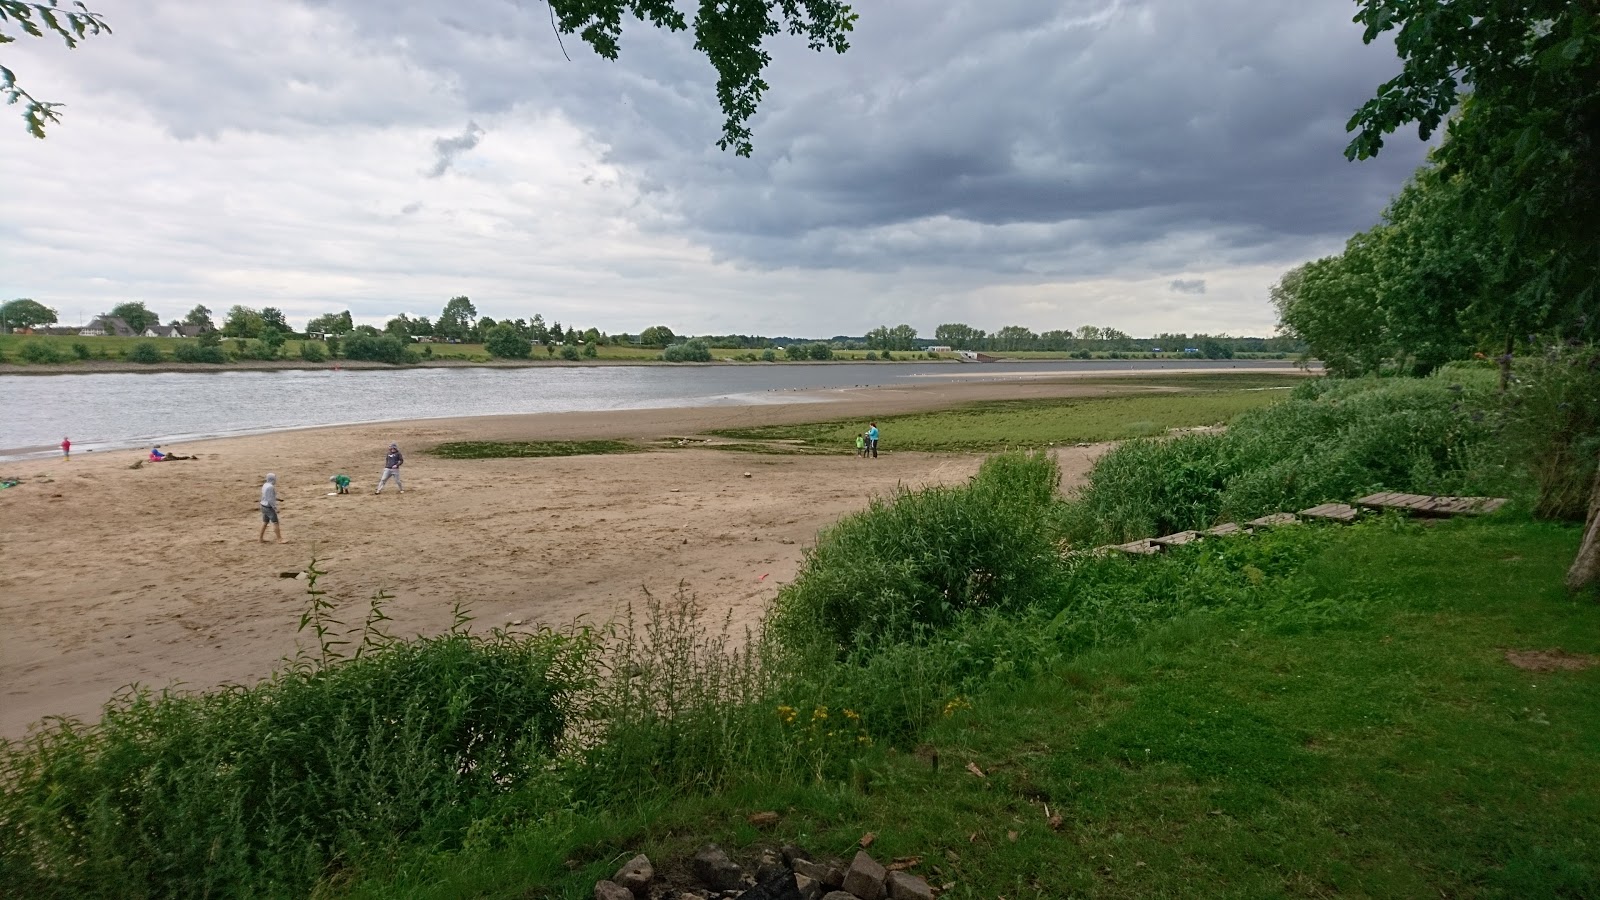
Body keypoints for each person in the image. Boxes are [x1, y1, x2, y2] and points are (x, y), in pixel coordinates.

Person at [259, 473, 285, 543]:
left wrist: (278, 499)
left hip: (263, 505)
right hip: (269, 507)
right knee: (275, 522)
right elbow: (270, 499)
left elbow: (266, 496)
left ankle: (260, 538)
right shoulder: (271, 487)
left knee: (265, 522)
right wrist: (275, 508)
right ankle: (279, 539)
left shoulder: (265, 485)